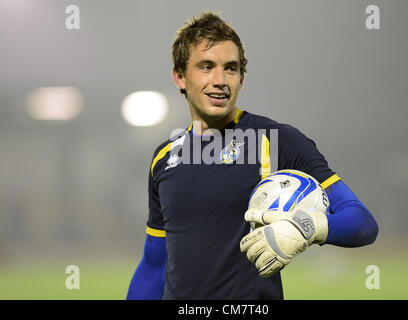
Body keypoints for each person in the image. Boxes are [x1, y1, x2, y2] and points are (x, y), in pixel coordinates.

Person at [127, 11, 378, 300]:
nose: (220, 80)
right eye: (206, 67)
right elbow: (154, 266)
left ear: (242, 79)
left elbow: (362, 222)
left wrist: (306, 228)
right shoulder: (165, 157)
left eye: (230, 68)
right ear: (180, 77)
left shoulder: (277, 140)